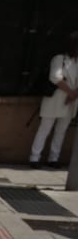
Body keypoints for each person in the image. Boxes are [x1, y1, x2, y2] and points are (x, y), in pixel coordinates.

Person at [29, 30, 78, 169]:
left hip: (70, 102)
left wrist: (74, 95)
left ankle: (53, 158)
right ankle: (34, 157)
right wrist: (71, 92)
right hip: (55, 100)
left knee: (61, 131)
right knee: (45, 128)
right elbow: (55, 77)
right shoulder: (59, 58)